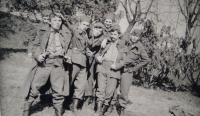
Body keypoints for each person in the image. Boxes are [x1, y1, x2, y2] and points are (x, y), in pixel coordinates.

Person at [22, 12, 72, 116]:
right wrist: (38, 55)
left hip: (59, 63)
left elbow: (70, 48)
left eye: (59, 21)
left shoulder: (67, 33)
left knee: (58, 90)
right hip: (45, 63)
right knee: (35, 86)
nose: (57, 23)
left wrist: (68, 55)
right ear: (49, 21)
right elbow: (35, 45)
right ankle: (26, 110)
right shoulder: (42, 32)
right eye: (54, 20)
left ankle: (58, 112)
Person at [112, 29, 150, 116]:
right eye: (133, 35)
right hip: (118, 68)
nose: (134, 37)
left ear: (139, 37)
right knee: (113, 86)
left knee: (124, 90)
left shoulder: (140, 48)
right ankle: (111, 104)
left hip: (127, 70)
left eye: (136, 36)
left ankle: (122, 107)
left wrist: (134, 68)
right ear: (131, 35)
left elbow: (146, 60)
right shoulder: (125, 43)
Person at [94, 24, 125, 116]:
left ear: (119, 35)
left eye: (115, 34)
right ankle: (98, 110)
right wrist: (98, 57)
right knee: (100, 89)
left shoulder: (122, 45)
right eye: (111, 34)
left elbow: (124, 61)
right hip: (103, 66)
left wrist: (117, 66)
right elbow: (97, 53)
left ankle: (104, 108)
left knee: (109, 91)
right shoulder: (106, 42)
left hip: (114, 69)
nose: (112, 36)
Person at [67, 15, 91, 115]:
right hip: (74, 59)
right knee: (69, 81)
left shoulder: (86, 34)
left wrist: (88, 52)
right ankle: (63, 102)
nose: (85, 26)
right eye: (84, 24)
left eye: (87, 25)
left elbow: (85, 47)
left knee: (81, 85)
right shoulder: (74, 29)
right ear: (80, 23)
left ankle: (74, 106)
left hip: (83, 61)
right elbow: (66, 24)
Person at [83, 22, 106, 107]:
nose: (98, 30)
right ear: (93, 28)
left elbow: (93, 44)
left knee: (93, 78)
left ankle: (91, 98)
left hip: (96, 60)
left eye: (100, 29)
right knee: (85, 78)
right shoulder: (88, 34)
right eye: (96, 28)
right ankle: (84, 96)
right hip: (86, 57)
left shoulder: (102, 38)